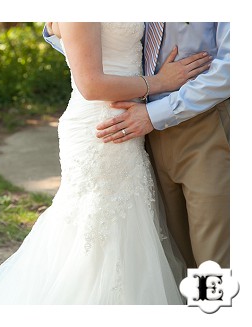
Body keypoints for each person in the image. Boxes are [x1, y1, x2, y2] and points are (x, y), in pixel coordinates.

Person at [0, 22, 210, 304]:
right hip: (99, 126)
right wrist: (160, 82)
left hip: (127, 119)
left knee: (129, 225)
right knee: (99, 230)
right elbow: (91, 84)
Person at [93, 23, 230, 269]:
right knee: (175, 256)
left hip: (203, 125)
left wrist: (155, 113)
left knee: (214, 258)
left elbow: (233, 66)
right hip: (139, 139)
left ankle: (216, 308)